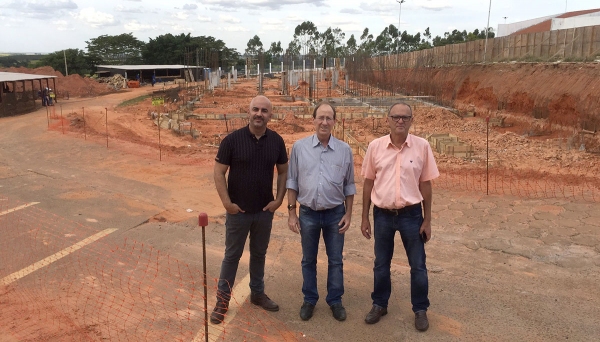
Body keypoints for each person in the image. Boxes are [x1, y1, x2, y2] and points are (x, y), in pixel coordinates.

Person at [360, 102, 439, 332]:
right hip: (382, 215)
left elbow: (426, 185)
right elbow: (367, 183)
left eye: (405, 117)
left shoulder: (422, 147)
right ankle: (379, 304)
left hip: (411, 215)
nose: (400, 121)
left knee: (418, 265)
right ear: (388, 120)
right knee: (381, 264)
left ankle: (420, 309)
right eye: (396, 117)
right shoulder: (375, 147)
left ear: (412, 120)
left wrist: (428, 219)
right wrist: (364, 217)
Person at [210, 95, 288, 324]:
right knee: (231, 256)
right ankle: (222, 302)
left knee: (259, 254)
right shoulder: (232, 140)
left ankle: (257, 293)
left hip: (264, 211)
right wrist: (227, 203)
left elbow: (283, 171)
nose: (259, 114)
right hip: (238, 212)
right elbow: (218, 172)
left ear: (270, 115)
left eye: (264, 111)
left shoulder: (276, 141)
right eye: (256, 109)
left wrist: (279, 200)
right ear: (248, 112)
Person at [286, 102, 356, 322]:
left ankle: (335, 300)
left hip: (336, 213)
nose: (324, 122)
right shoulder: (299, 148)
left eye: (329, 118)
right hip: (308, 213)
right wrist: (291, 212)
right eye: (321, 117)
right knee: (309, 259)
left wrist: (349, 214)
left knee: (335, 260)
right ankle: (309, 299)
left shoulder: (344, 150)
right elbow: (292, 181)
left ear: (334, 121)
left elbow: (350, 185)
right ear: (313, 120)